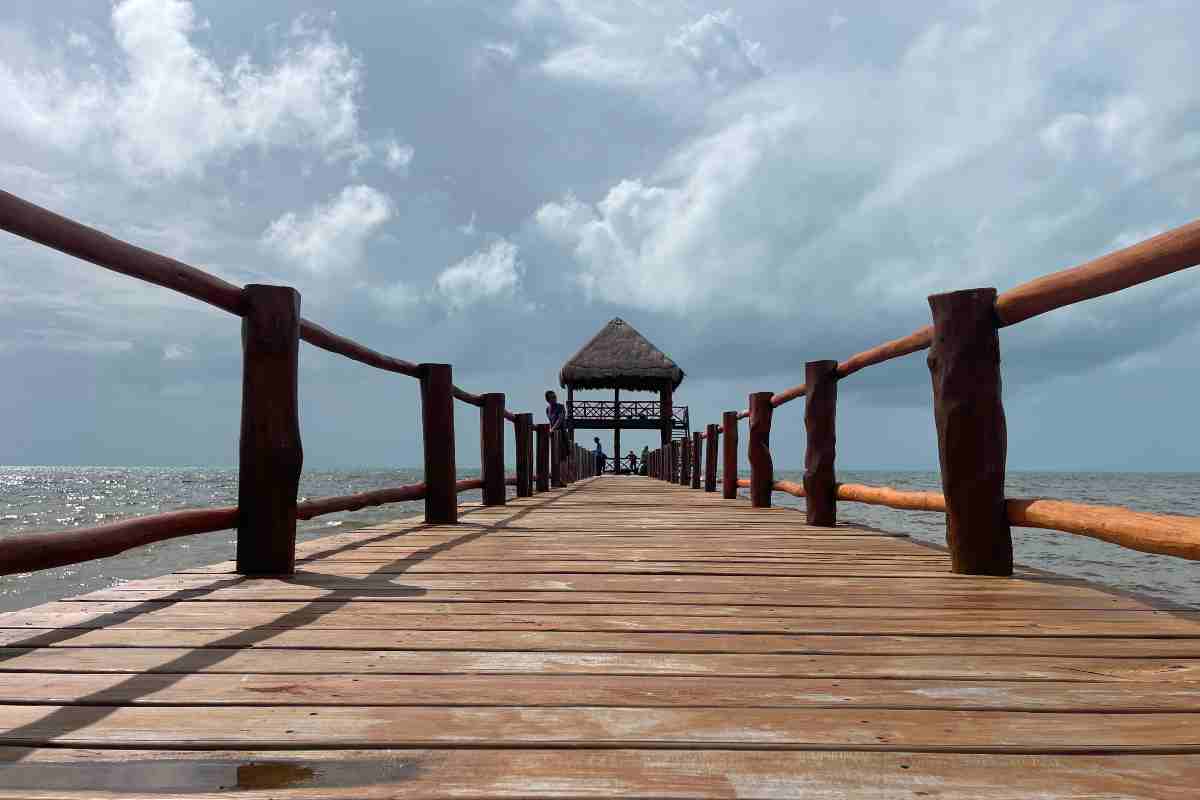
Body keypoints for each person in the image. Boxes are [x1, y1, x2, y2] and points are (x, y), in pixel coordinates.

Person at [545, 390, 567, 484]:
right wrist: (551, 431)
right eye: (552, 397)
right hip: (553, 435)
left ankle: (563, 479)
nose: (554, 399)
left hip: (561, 434)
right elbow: (551, 421)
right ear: (548, 400)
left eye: (555, 396)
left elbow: (560, 419)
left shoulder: (561, 407)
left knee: (562, 457)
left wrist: (552, 429)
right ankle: (557, 479)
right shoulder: (547, 409)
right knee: (555, 457)